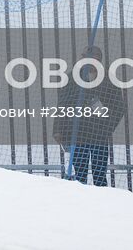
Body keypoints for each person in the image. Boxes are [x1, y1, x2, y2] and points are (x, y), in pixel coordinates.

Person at [53, 45, 125, 186]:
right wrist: (58, 129)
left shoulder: (109, 80)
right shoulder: (72, 78)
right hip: (78, 133)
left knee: (100, 175)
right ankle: (82, 204)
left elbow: (118, 107)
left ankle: (102, 204)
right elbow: (62, 104)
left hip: (100, 134)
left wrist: (108, 126)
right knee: (80, 176)